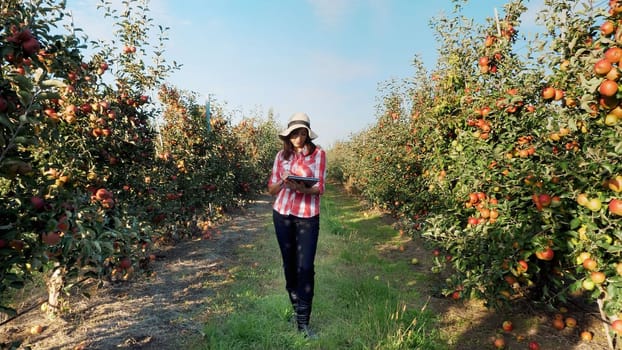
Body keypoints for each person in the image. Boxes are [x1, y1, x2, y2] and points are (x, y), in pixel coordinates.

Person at [267, 112, 327, 338]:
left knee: (306, 268)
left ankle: (303, 324)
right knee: (289, 266)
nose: (298, 138)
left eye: (302, 133)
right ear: (288, 135)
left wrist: (303, 189)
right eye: (294, 133)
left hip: (307, 215)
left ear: (308, 135)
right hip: (282, 214)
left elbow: (320, 187)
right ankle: (296, 311)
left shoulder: (319, 154)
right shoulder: (280, 156)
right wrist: (284, 181)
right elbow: (271, 190)